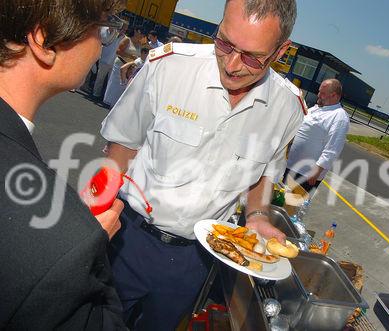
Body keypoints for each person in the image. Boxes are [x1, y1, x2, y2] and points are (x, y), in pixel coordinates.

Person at [100, 0, 303, 329]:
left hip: (195, 259)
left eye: (252, 56)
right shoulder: (169, 66)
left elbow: (264, 175)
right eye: (224, 42)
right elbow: (121, 144)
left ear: (281, 52)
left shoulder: (288, 108)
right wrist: (98, 208)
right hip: (127, 238)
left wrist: (257, 217)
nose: (232, 65)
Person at [0, 0, 127, 329]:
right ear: (45, 40)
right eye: (101, 27)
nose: (103, 43)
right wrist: (89, 244)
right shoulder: (65, 239)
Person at [285, 79, 350, 194]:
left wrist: (316, 171)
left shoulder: (339, 117)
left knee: (291, 206)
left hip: (305, 174)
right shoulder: (316, 108)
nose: (318, 95)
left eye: (322, 93)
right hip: (289, 165)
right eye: (319, 91)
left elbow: (333, 149)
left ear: (334, 95)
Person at [103, 25, 145, 107]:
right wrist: (131, 56)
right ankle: (110, 102)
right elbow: (118, 51)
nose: (142, 35)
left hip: (130, 68)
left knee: (124, 86)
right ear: (135, 31)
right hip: (120, 64)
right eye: (141, 33)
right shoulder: (127, 40)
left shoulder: (140, 44)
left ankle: (117, 104)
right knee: (116, 84)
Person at [92, 21, 129, 100]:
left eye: (125, 30)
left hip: (114, 62)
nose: (123, 31)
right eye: (122, 29)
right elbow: (104, 39)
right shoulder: (111, 33)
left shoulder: (125, 39)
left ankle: (106, 98)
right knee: (100, 78)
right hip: (105, 58)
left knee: (110, 81)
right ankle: (95, 94)